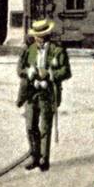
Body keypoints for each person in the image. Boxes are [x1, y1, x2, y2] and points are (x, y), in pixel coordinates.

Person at [16, 19, 71, 172]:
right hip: (31, 92)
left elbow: (66, 71)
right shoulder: (29, 49)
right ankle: (34, 156)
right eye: (36, 36)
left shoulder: (57, 50)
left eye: (40, 36)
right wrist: (29, 72)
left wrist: (50, 74)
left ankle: (43, 160)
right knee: (30, 126)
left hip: (48, 93)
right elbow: (20, 69)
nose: (37, 39)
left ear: (47, 35)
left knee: (45, 128)